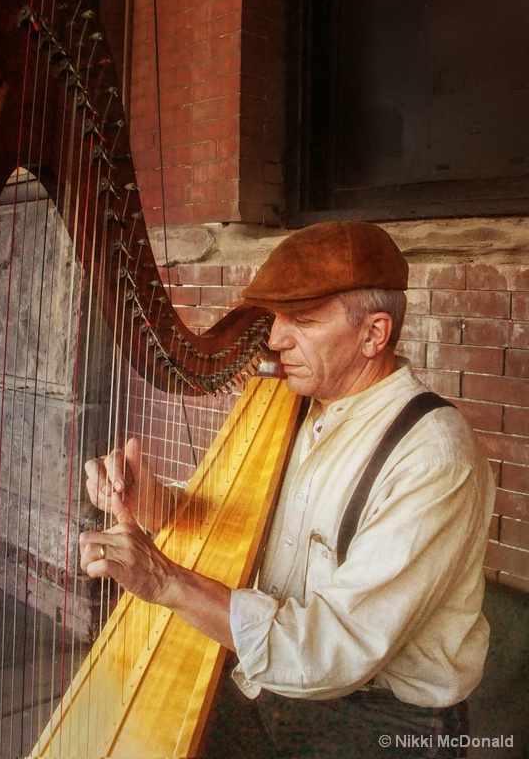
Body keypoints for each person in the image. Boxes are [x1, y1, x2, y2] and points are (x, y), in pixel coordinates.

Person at [79, 221, 496, 758]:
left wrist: (165, 580)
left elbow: (333, 651)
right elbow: (242, 525)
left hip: (383, 726)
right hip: (277, 690)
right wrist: (153, 503)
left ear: (373, 334)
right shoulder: (303, 404)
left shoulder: (433, 456)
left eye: (301, 320)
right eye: (275, 318)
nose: (274, 339)